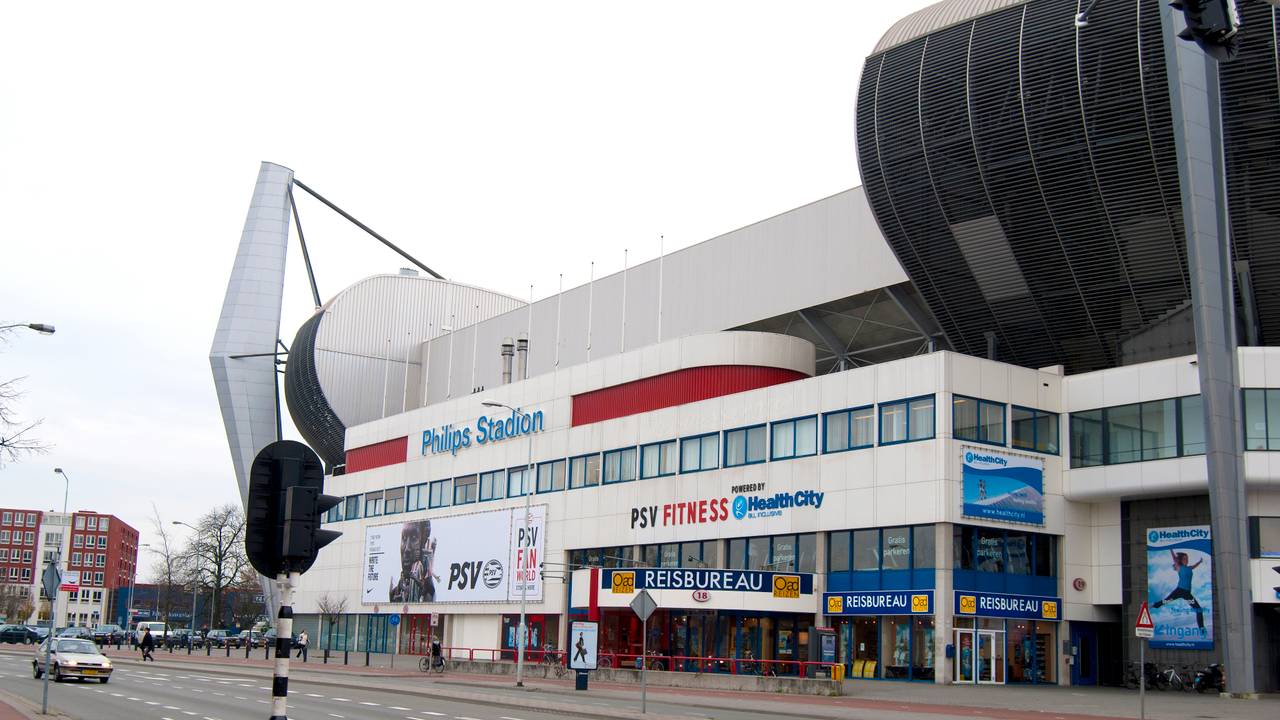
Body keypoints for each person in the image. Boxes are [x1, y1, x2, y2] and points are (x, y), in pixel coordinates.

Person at [1153, 550, 1206, 632]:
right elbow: (1174, 558)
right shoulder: (1179, 567)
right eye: (1185, 558)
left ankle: (1202, 628)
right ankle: (1154, 605)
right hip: (1179, 590)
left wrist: (1200, 561)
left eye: (1187, 558)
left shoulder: (1189, 568)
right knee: (1167, 600)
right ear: (1181, 560)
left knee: (1198, 609)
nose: (1187, 560)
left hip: (1187, 594)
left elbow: (1194, 566)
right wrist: (1171, 550)